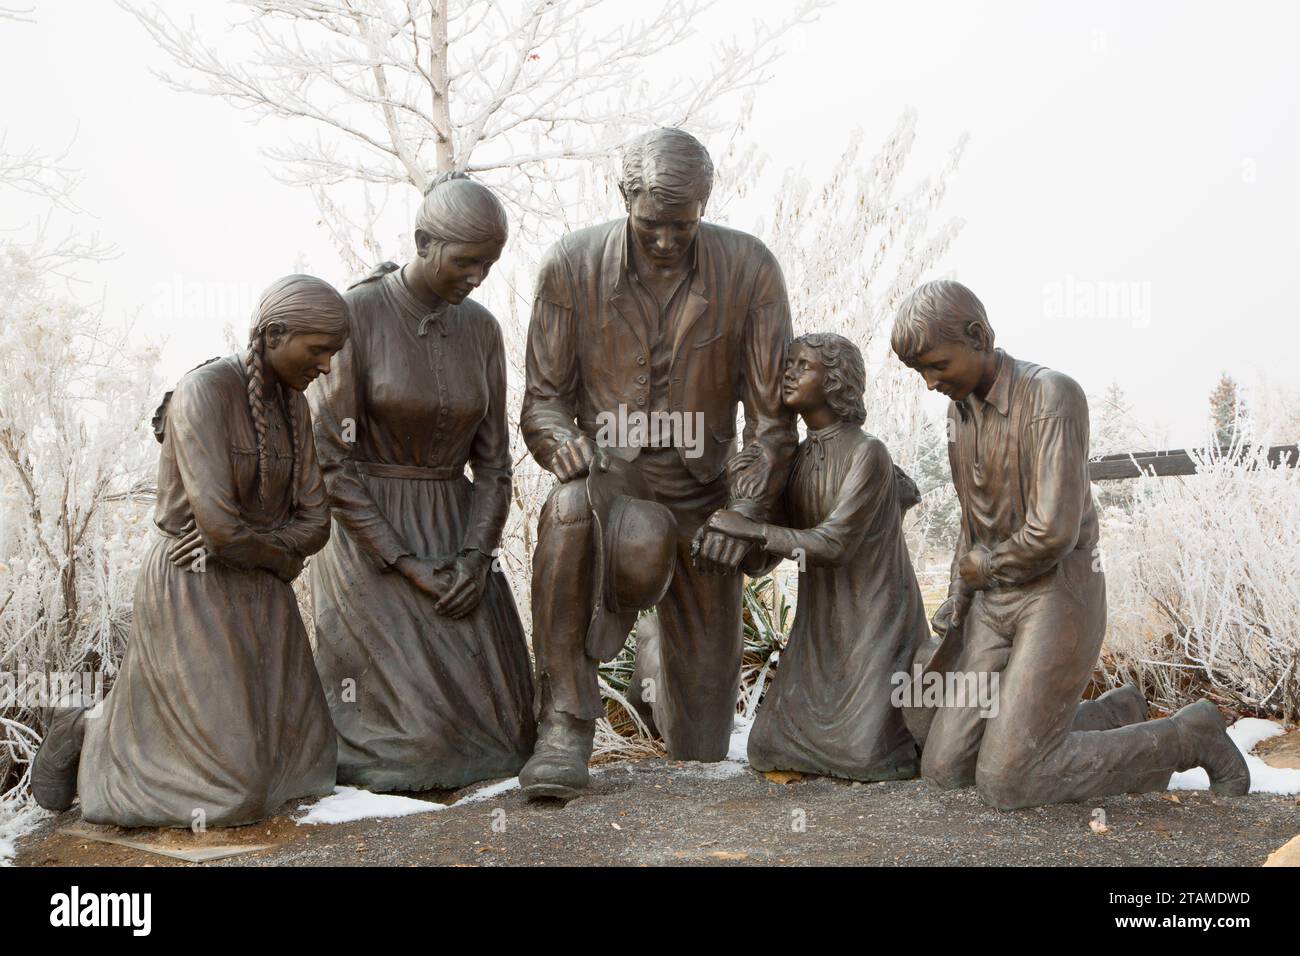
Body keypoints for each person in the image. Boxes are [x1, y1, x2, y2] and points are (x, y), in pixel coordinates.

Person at [890, 279, 1249, 810]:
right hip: (993, 601)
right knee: (946, 769)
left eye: (937, 366)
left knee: (1007, 782)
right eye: (920, 371)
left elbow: (1053, 532)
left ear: (978, 335)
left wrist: (983, 567)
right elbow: (975, 518)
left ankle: (1186, 736)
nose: (929, 383)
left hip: (1058, 594)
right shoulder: (958, 412)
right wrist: (960, 596)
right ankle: (1110, 716)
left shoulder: (1053, 395)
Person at [519, 127, 798, 798]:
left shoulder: (750, 267)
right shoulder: (570, 265)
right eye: (653, 224)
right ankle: (564, 725)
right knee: (567, 508)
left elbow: (769, 422)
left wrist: (745, 511)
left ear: (705, 204)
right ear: (624, 197)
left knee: (699, 746)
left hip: (707, 496)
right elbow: (542, 404)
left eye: (684, 223)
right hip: (613, 484)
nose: (669, 239)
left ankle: (655, 649)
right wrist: (562, 444)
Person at [31, 274, 348, 827]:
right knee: (233, 793)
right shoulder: (204, 390)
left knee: (308, 768)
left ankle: (127, 728)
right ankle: (93, 733)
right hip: (193, 578)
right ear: (273, 335)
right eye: (318, 350)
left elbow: (316, 522)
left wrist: (263, 548)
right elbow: (217, 529)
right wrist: (280, 553)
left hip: (262, 583)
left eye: (333, 354)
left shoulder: (294, 407)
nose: (325, 366)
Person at [308, 172, 535, 793]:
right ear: (423, 242)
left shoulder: (483, 330)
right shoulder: (356, 314)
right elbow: (331, 461)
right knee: (418, 747)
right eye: (465, 262)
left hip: (456, 529)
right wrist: (404, 562)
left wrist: (475, 555)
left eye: (489, 265)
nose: (477, 278)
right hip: (367, 535)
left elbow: (493, 465)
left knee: (510, 740)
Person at [703, 333, 926, 781]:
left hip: (874, 627)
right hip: (818, 634)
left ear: (835, 381)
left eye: (801, 365)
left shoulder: (868, 453)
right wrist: (728, 540)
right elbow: (768, 558)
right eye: (788, 364)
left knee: (865, 756)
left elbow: (833, 544)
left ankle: (895, 730)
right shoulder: (800, 458)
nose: (787, 373)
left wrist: (751, 529)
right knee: (765, 748)